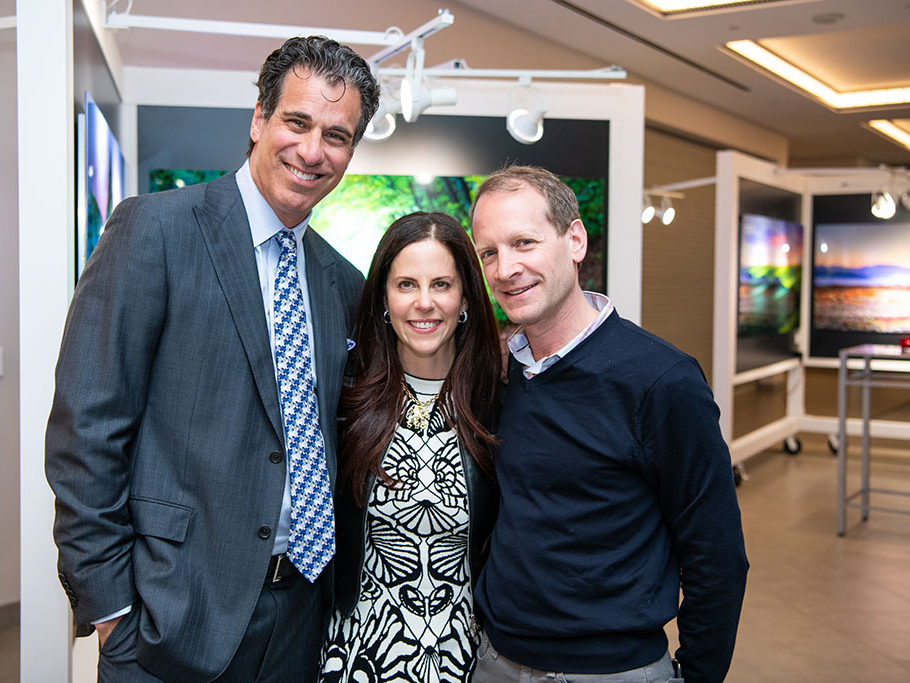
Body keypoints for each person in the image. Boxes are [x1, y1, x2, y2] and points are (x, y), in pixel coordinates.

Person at [45, 36, 379, 683]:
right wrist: (111, 608)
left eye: (336, 136)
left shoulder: (342, 280)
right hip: (170, 618)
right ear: (259, 118)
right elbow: (86, 428)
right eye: (297, 122)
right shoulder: (155, 230)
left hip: (301, 618)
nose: (313, 151)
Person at [468, 166, 748, 683]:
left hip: (612, 670)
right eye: (489, 252)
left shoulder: (661, 380)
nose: (505, 268)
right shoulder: (504, 372)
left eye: (524, 242)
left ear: (575, 240)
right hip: (495, 660)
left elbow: (717, 555)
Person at [320, 212, 503, 683]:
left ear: (465, 297)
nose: (424, 303)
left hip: (466, 662)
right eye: (406, 285)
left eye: (441, 284)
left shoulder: (498, 408)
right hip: (357, 658)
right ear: (384, 298)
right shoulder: (343, 401)